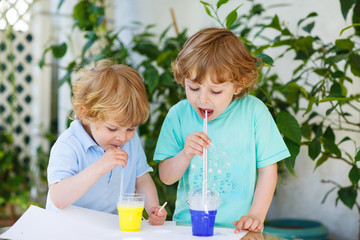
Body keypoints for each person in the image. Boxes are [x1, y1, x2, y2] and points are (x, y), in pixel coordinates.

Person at [153, 28, 290, 232]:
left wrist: (255, 215)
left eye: (216, 91)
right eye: (193, 87)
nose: (202, 99)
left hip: (237, 229)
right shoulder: (178, 115)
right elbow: (166, 177)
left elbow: (267, 170)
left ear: (238, 85)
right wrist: (185, 154)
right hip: (188, 228)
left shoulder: (254, 112)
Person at [46, 59, 167, 225]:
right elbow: (58, 198)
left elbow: (142, 179)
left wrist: (153, 207)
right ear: (86, 114)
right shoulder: (69, 145)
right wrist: (99, 167)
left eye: (130, 129)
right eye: (112, 129)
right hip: (67, 230)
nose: (123, 138)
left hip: (108, 229)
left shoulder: (130, 142)